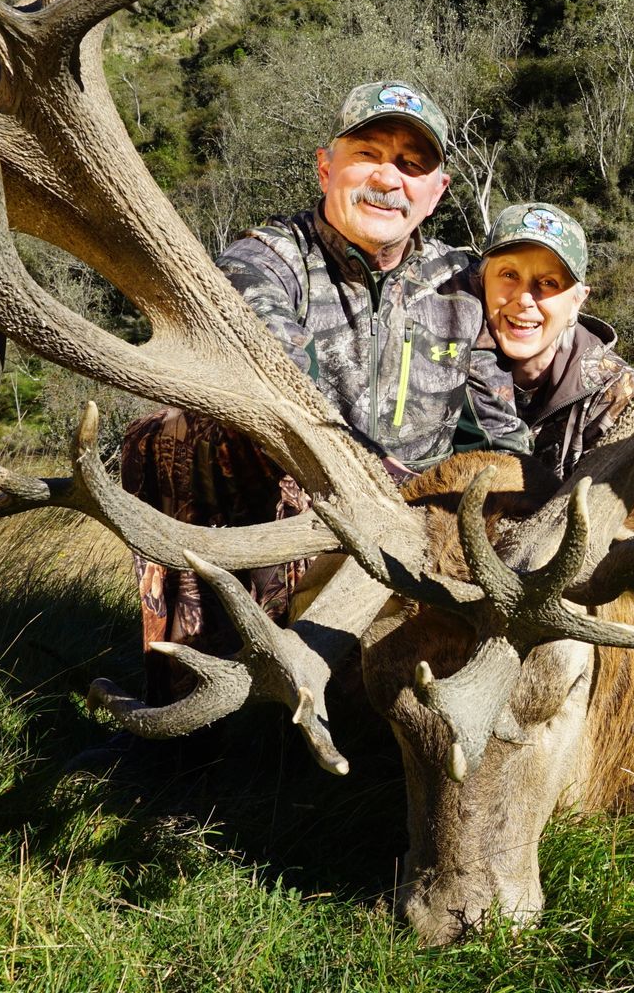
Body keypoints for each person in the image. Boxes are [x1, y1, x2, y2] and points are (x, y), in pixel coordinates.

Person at [121, 80, 530, 708]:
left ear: (436, 193)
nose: (388, 179)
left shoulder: (464, 284)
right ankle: (200, 692)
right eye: (368, 154)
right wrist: (370, 487)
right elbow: (277, 385)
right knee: (174, 434)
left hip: (422, 532)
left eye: (412, 165)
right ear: (325, 166)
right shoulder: (264, 261)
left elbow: (498, 428)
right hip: (299, 512)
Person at [475, 202, 634, 484]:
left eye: (549, 282)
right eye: (508, 275)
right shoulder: (448, 359)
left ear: (578, 300)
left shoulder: (615, 393)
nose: (525, 299)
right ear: (482, 283)